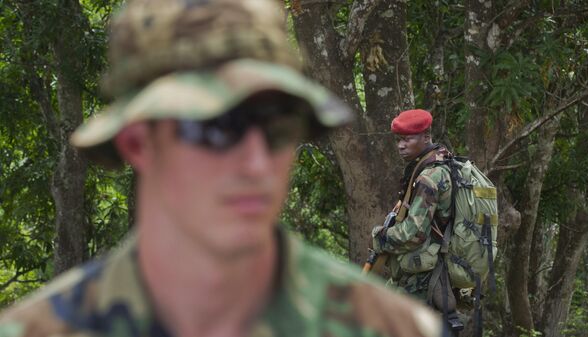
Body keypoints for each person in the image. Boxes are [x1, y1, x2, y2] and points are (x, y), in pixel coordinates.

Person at [0, 1, 444, 337]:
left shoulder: (387, 326)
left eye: (276, 127)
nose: (255, 164)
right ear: (139, 142)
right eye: (215, 128)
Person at [371, 109, 463, 332]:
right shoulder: (443, 163)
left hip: (422, 278)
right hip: (437, 271)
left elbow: (413, 235)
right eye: (399, 140)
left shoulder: (428, 177)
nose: (401, 146)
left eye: (407, 139)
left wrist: (380, 236)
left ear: (425, 137)